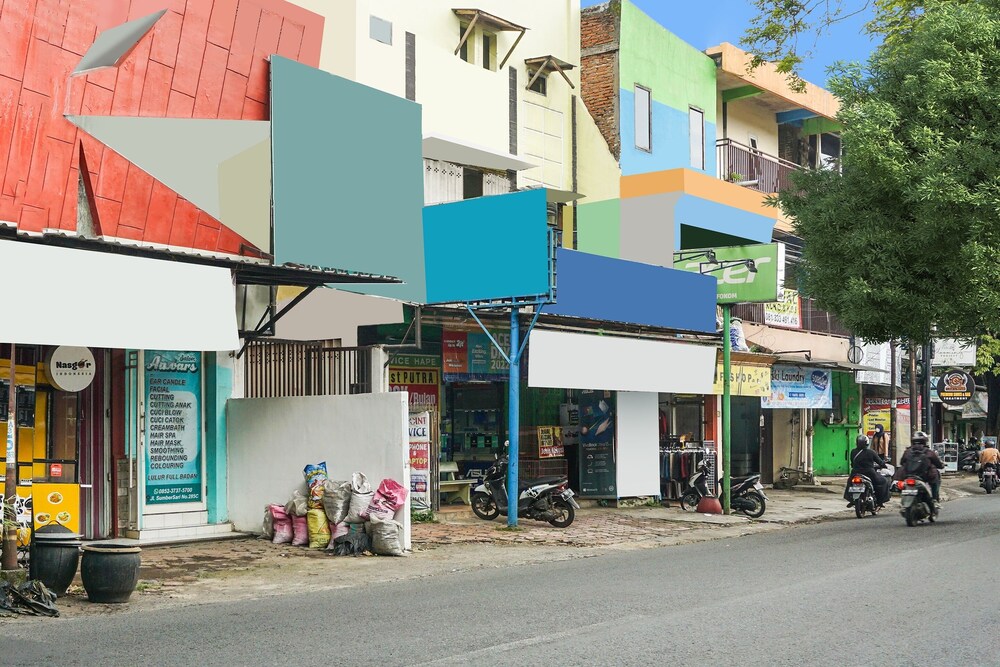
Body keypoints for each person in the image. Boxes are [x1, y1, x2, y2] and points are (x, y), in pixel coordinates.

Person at [899, 431, 945, 509]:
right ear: (925, 441)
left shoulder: (907, 452)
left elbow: (901, 462)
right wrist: (942, 465)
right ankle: (935, 500)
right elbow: (938, 464)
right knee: (935, 479)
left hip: (908, 477)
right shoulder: (929, 452)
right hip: (924, 477)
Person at [847, 434, 890, 507]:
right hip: (869, 473)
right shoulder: (871, 452)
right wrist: (884, 465)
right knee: (884, 481)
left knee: (849, 483)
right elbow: (880, 462)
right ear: (866, 443)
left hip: (855, 473)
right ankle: (880, 501)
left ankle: (851, 499)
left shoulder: (853, 452)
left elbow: (852, 463)